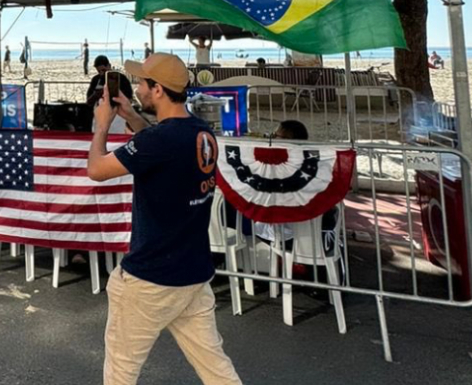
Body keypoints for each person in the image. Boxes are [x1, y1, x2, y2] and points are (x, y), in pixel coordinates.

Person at [87, 53, 242, 385]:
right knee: (216, 368)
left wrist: (102, 124)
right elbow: (159, 147)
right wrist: (131, 115)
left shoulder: (158, 141)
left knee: (121, 371)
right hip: (193, 274)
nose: (138, 88)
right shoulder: (201, 133)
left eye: (142, 82)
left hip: (150, 277)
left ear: (157, 90)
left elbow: (96, 170)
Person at [252, 120, 339, 252]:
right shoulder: (318, 165)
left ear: (287, 140)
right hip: (318, 233)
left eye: (276, 136)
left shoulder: (279, 171)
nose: (272, 139)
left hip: (285, 235)